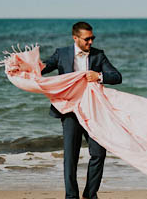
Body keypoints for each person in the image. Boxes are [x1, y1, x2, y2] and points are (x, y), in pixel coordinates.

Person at [40, 22, 123, 199]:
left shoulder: (98, 55)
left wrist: (99, 76)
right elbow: (42, 68)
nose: (90, 42)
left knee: (99, 153)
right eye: (87, 39)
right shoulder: (61, 53)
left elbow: (117, 76)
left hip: (93, 112)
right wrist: (23, 67)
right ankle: (71, 196)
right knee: (71, 157)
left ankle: (89, 195)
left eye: (92, 38)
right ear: (75, 38)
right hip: (70, 111)